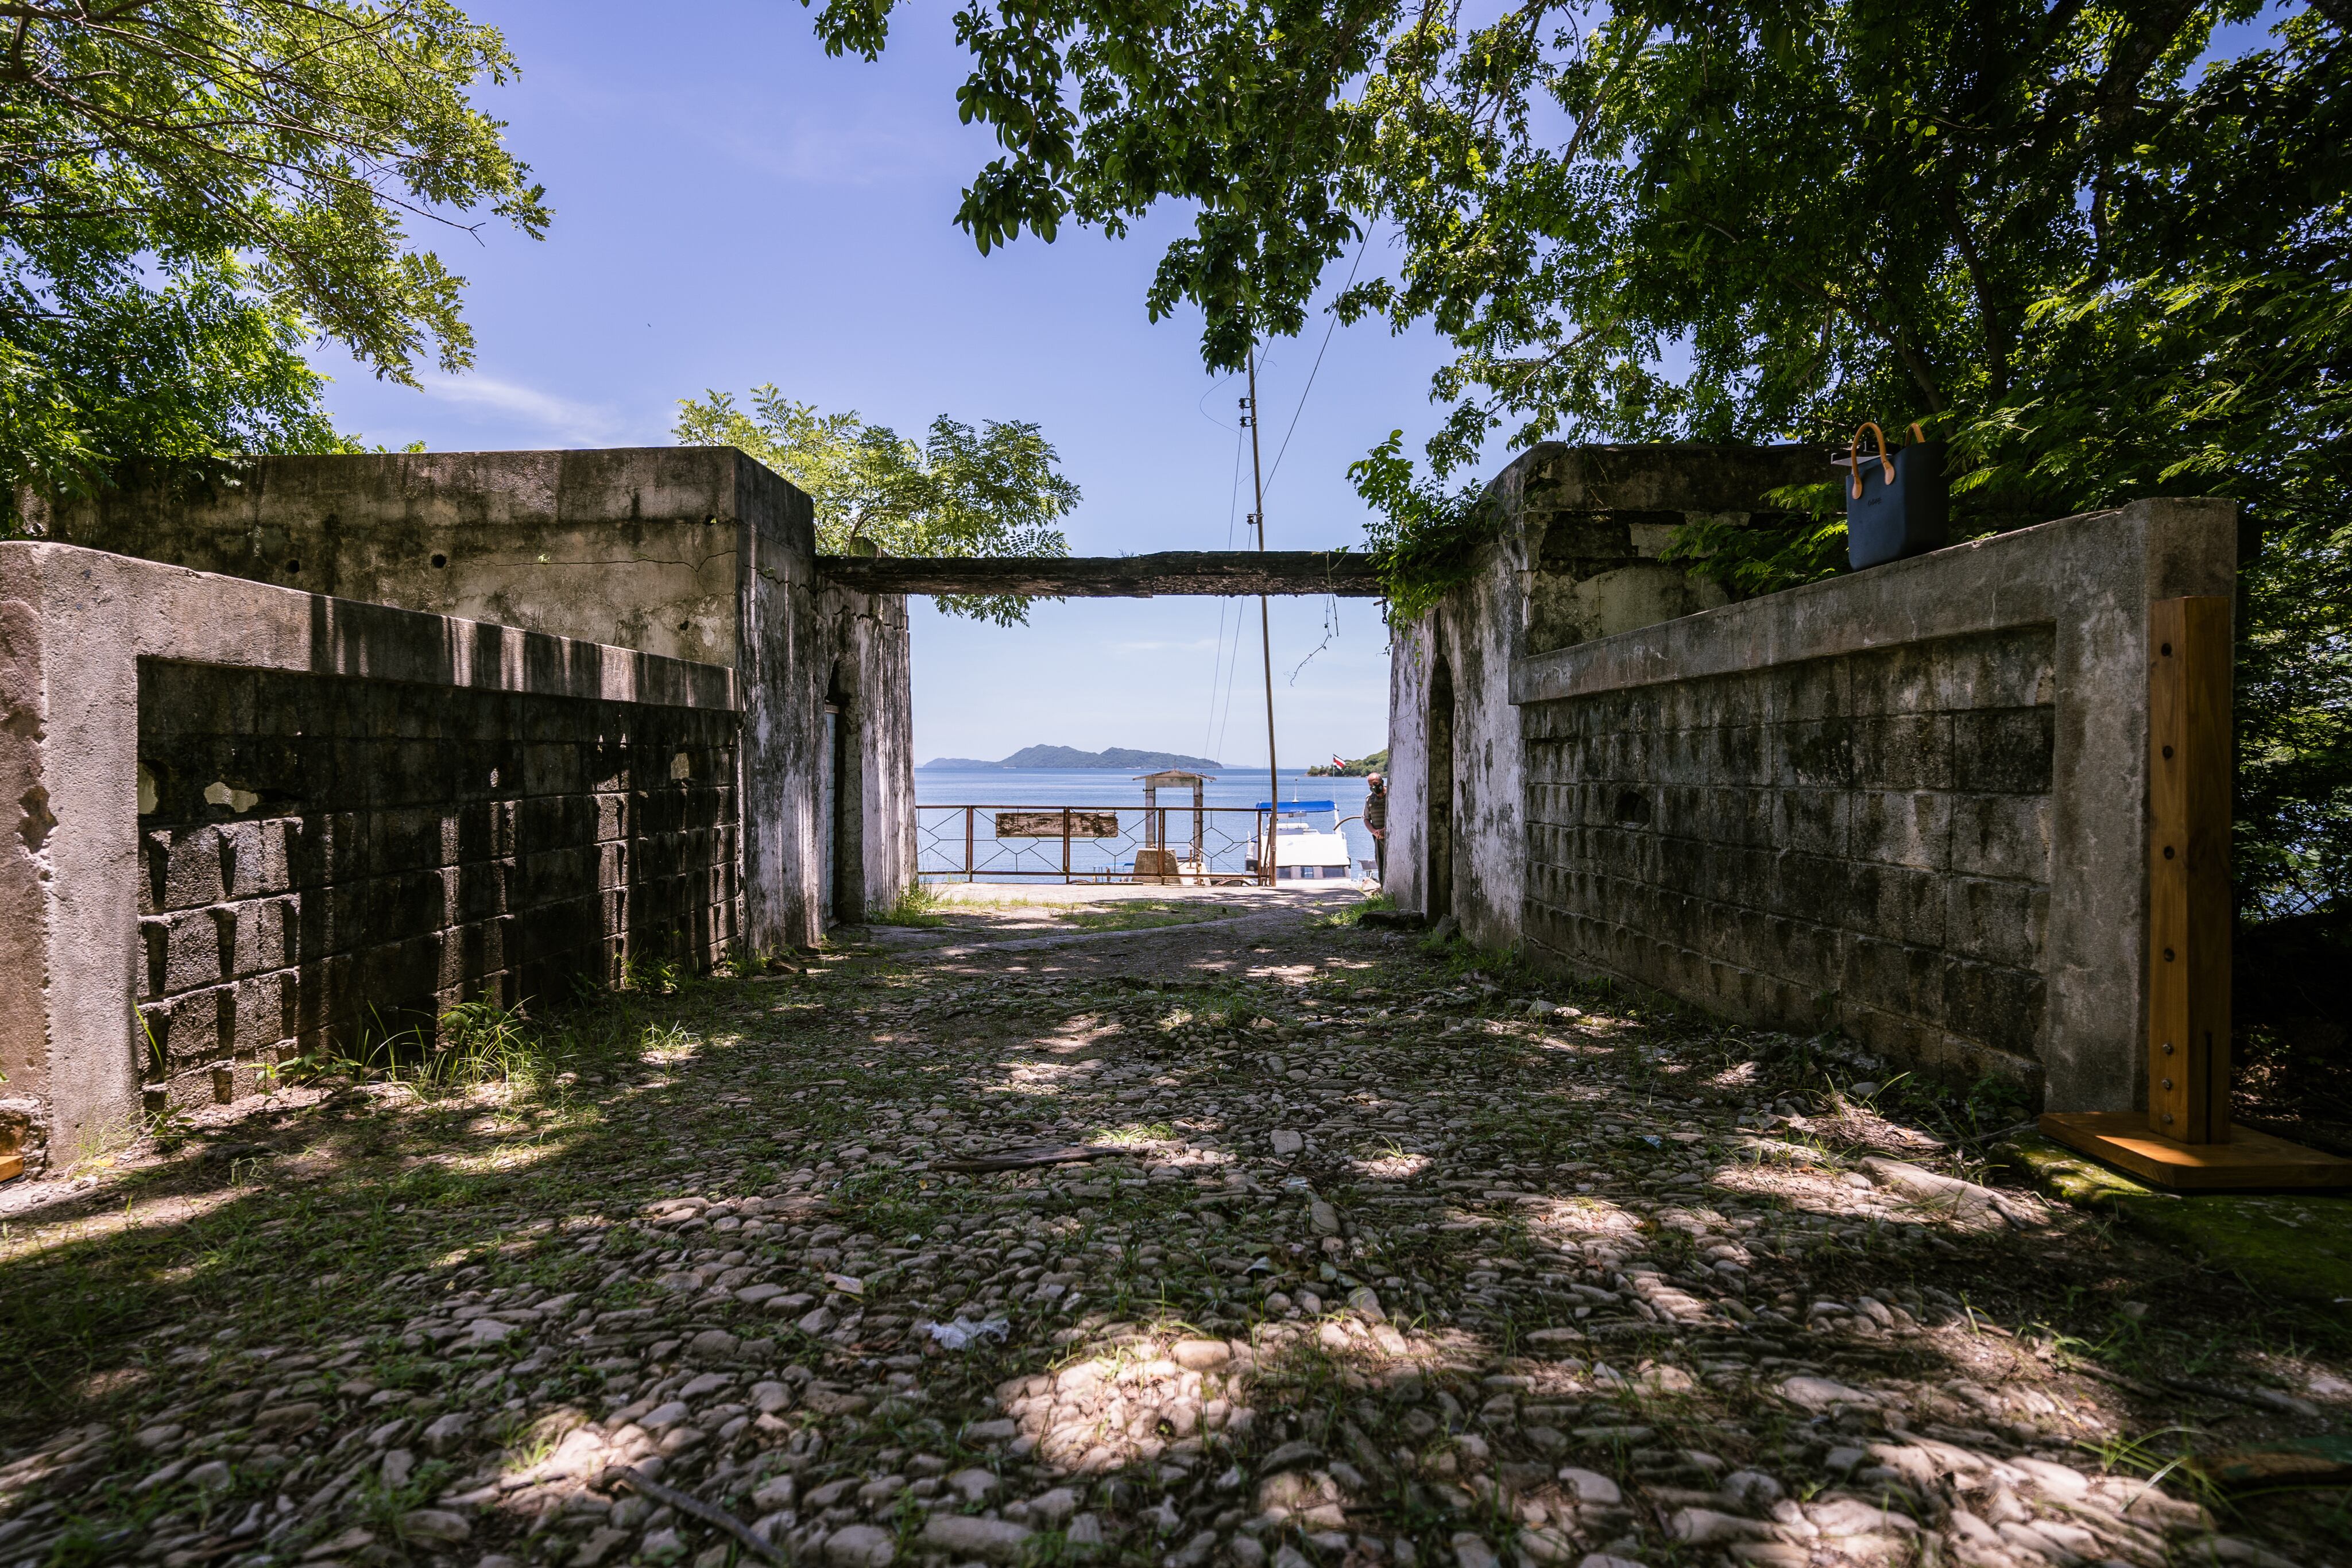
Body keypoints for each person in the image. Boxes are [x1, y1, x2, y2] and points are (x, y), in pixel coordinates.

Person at [1363, 772, 1387, 884]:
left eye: (1375, 783)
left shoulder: (1393, 795)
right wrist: (1375, 832)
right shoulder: (1369, 799)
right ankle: (1384, 891)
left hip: (1394, 836)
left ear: (1382, 782)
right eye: (1370, 785)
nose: (1373, 786)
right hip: (1378, 838)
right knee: (1381, 864)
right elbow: (1366, 819)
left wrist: (1386, 829)